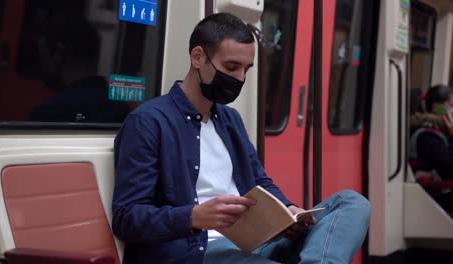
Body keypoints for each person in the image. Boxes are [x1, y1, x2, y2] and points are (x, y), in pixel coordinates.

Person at [112, 13, 371, 264]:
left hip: (256, 243)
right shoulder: (149, 122)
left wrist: (289, 211)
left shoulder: (230, 120)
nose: (240, 79)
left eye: (246, 69)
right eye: (231, 67)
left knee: (351, 202)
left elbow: (259, 181)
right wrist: (193, 217)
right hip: (197, 250)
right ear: (198, 57)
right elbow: (126, 218)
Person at [410, 84, 453, 181]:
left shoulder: (443, 132)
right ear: (437, 107)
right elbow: (449, 170)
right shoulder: (428, 136)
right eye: (452, 105)